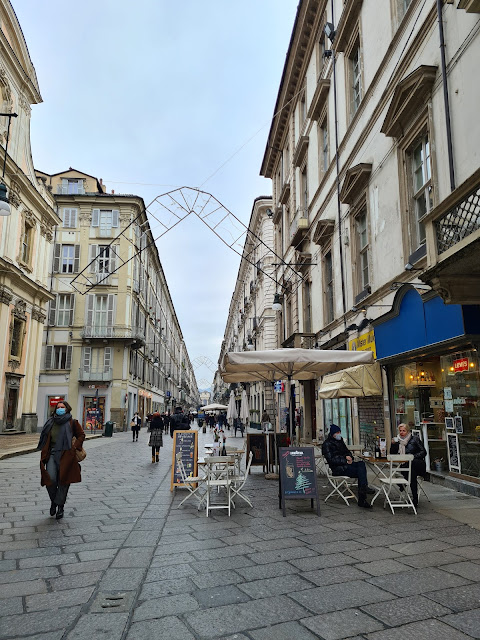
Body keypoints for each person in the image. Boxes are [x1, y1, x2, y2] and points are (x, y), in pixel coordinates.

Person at [37, 401, 85, 520]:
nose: (60, 409)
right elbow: (45, 437)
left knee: (64, 481)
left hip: (67, 454)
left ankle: (60, 506)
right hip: (52, 454)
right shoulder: (51, 422)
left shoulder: (72, 422)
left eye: (62, 407)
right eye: (58, 407)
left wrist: (74, 446)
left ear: (67, 409)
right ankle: (54, 501)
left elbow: (81, 435)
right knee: (50, 479)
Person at [322, 424, 374, 508]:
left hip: (346, 465)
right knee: (360, 472)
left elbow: (347, 452)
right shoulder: (326, 444)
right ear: (333, 434)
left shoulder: (340, 441)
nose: (339, 434)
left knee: (361, 464)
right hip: (338, 469)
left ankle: (363, 490)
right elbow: (331, 460)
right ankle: (363, 494)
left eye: (339, 432)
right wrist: (345, 459)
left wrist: (350, 457)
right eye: (337, 432)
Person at [390, 422, 427, 507]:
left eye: (404, 431)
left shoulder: (415, 439)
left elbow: (423, 452)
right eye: (400, 431)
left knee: (412, 466)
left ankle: (403, 485)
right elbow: (392, 454)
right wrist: (393, 445)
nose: (402, 432)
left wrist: (412, 457)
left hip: (418, 464)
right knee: (411, 474)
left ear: (408, 431)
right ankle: (414, 498)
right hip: (407, 466)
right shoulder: (398, 441)